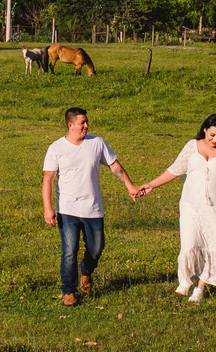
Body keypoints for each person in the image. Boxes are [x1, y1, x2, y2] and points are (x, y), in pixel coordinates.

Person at [138, 113, 216, 301]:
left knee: (214, 246)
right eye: (212, 135)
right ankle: (185, 281)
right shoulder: (192, 146)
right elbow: (175, 169)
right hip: (190, 206)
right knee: (190, 244)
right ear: (205, 130)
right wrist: (151, 185)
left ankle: (200, 287)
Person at [42, 107, 139, 306]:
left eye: (87, 122)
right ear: (70, 125)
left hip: (93, 208)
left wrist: (129, 185)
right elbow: (48, 179)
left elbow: (114, 166)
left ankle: (86, 271)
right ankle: (68, 291)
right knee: (69, 251)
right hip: (67, 209)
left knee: (96, 248)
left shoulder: (97, 143)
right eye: (82, 123)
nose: (86, 126)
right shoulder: (56, 148)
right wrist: (48, 208)